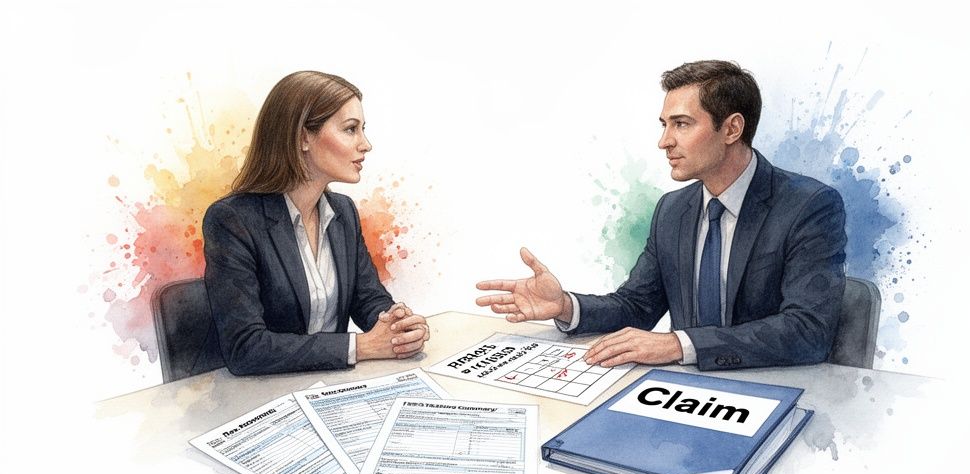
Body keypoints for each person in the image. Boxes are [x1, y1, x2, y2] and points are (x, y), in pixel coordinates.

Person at [476, 60, 846, 371]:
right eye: (664, 125)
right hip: (683, 395)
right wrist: (566, 305)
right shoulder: (673, 210)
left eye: (682, 124)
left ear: (732, 128)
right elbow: (637, 306)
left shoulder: (809, 206)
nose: (664, 141)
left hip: (775, 390)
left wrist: (678, 345)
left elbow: (807, 331)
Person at [203, 71, 429, 376]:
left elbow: (368, 300)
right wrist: (360, 347)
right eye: (351, 130)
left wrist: (398, 325)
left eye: (363, 130)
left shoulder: (343, 212)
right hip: (264, 398)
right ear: (302, 138)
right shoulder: (233, 220)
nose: (366, 145)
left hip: (329, 386)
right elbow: (245, 348)